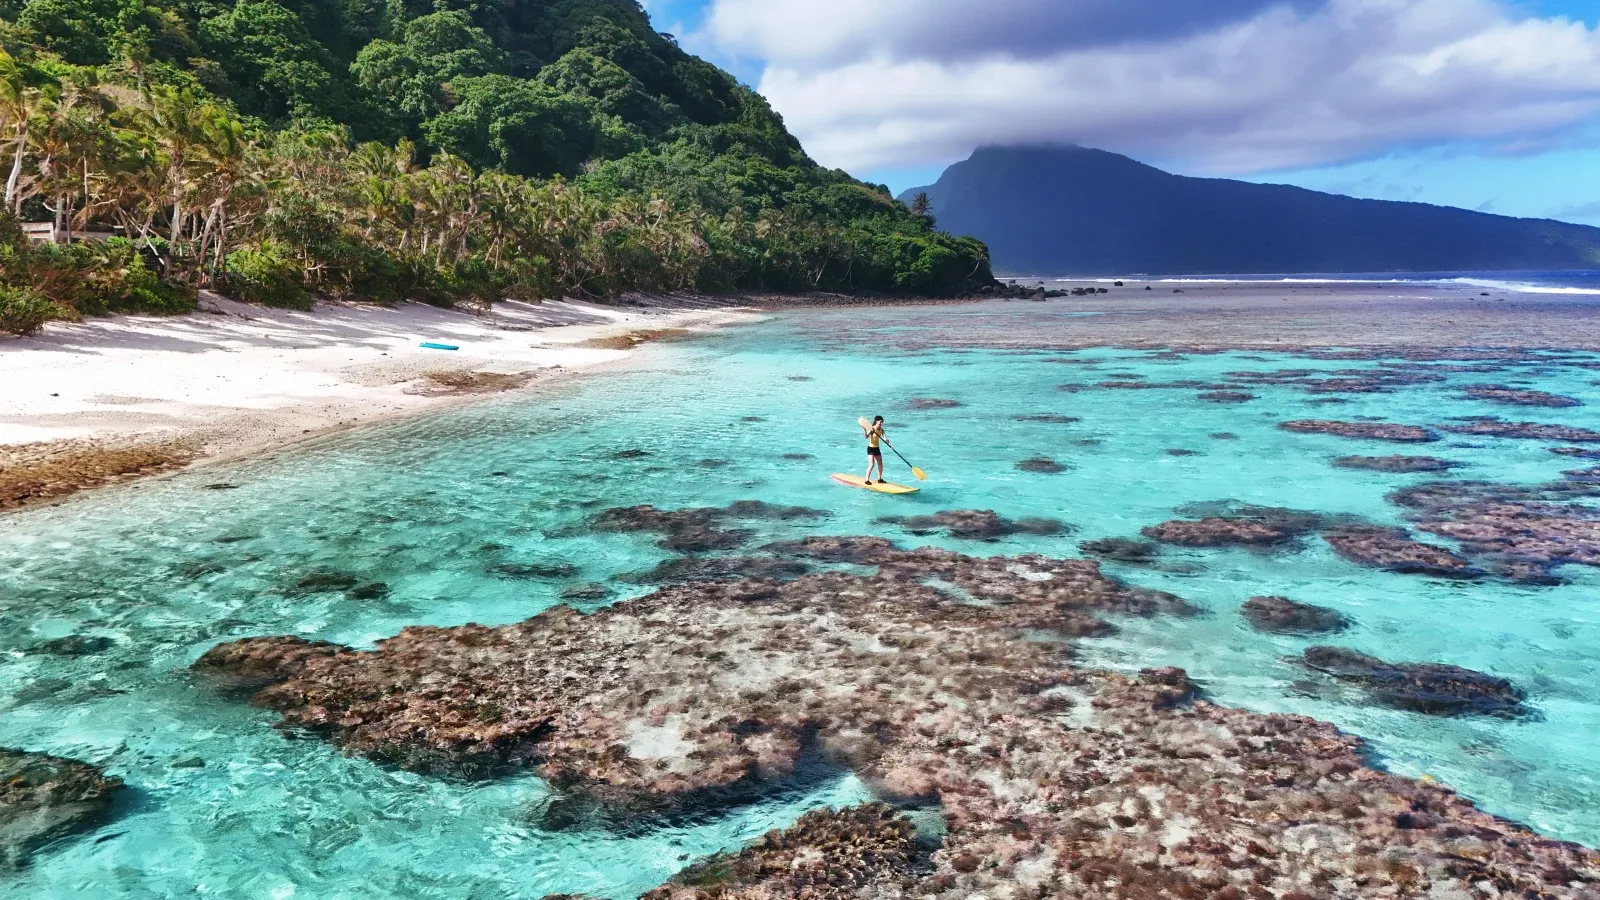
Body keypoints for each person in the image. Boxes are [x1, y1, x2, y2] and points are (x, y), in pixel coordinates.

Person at [863, 415, 889, 484]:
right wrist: (865, 430)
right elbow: (866, 437)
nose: (881, 423)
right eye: (880, 422)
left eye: (882, 422)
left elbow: (885, 438)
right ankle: (866, 480)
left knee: (880, 464)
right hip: (871, 448)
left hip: (877, 448)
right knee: (872, 464)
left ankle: (879, 479)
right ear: (876, 421)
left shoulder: (882, 430)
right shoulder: (872, 429)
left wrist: (887, 441)